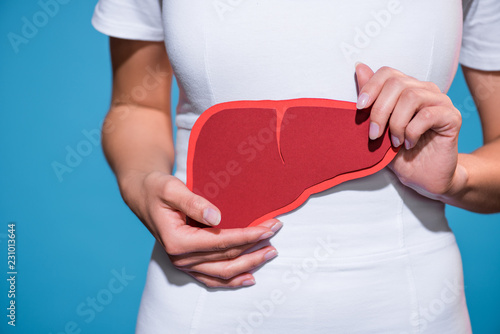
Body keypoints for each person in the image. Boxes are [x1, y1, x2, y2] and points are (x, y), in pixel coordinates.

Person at [92, 0, 500, 332]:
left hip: (413, 307)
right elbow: (135, 105)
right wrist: (141, 184)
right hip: (204, 298)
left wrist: (456, 179)